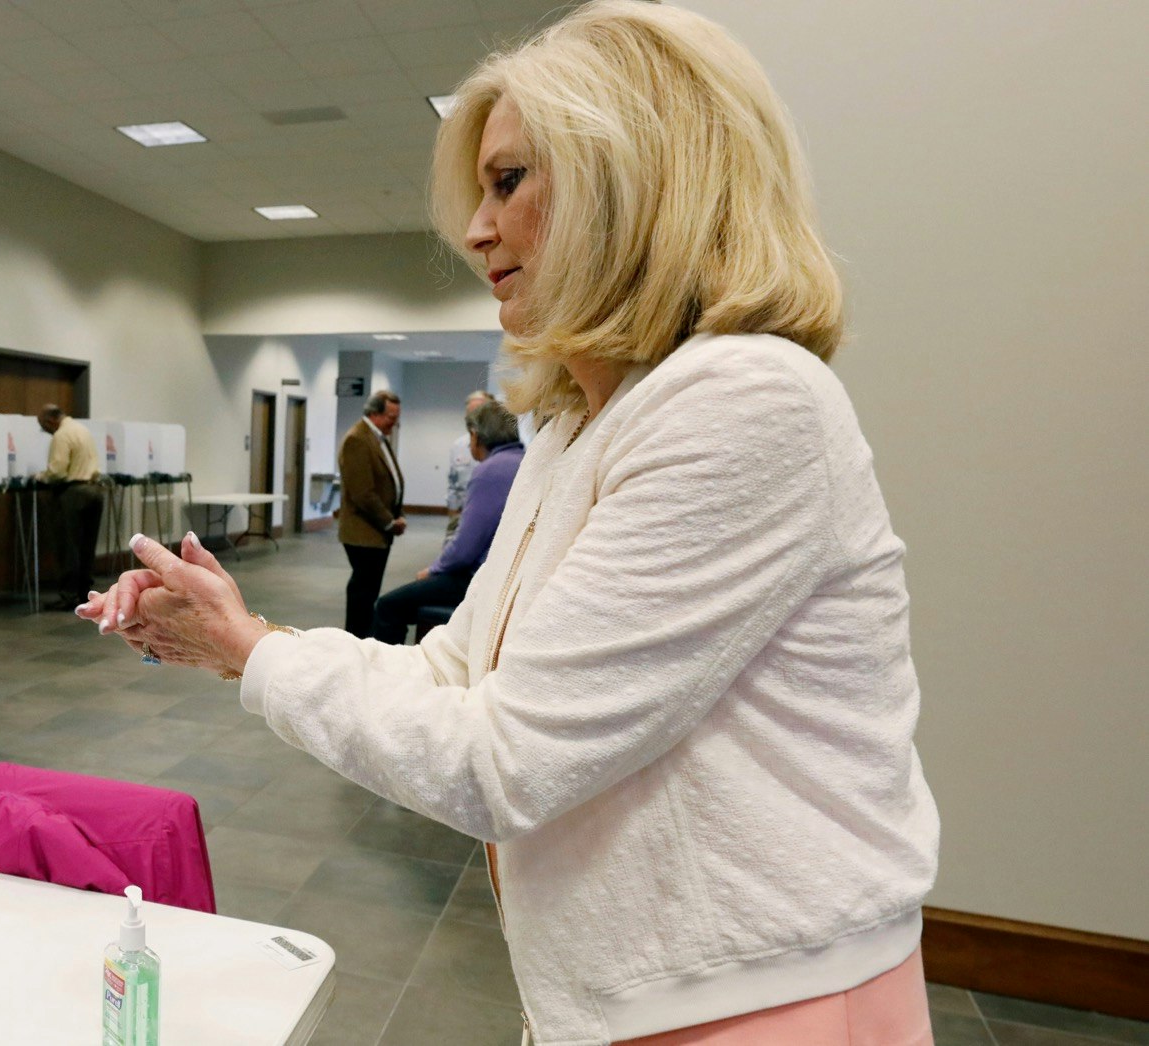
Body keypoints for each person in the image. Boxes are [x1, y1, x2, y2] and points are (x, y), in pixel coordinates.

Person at [77, 4, 939, 1044]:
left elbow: (505, 758)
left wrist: (251, 652)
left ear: (636, 181)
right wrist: (243, 637)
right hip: (621, 992)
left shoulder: (744, 401)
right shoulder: (578, 426)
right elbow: (456, 673)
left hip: (755, 999)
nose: (477, 229)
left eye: (509, 181)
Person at [374, 400, 523, 644]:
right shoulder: (522, 460)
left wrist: (433, 570)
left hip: (479, 577)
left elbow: (465, 547)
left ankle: (387, 675)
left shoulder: (490, 471)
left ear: (475, 436)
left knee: (388, 606)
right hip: (507, 574)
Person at [335, 390, 404, 638]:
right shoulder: (357, 439)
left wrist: (398, 513)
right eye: (390, 416)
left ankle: (362, 635)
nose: (394, 422)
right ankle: (355, 637)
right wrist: (389, 522)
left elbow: (389, 481)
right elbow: (362, 493)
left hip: (378, 531)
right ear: (374, 413)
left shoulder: (377, 437)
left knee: (369, 589)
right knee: (363, 591)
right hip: (363, 532)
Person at [35, 405, 101, 610]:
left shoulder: (62, 435)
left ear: (51, 420)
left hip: (74, 493)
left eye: (43, 425)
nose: (45, 430)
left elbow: (57, 470)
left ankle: (68, 596)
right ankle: (84, 592)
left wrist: (39, 477)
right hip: (95, 491)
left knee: (68, 545)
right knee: (87, 546)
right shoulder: (82, 430)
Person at [442, 389, 493, 542]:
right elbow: (453, 482)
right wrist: (453, 515)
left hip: (490, 517)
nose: (473, 419)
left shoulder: (499, 444)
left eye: (478, 413)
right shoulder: (459, 446)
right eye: (470, 414)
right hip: (462, 515)